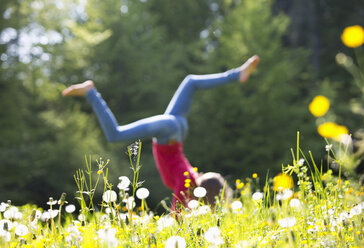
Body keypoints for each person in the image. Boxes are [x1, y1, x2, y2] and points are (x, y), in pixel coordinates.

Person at [62, 55, 259, 210]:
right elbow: (175, 217)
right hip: (168, 134)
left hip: (178, 129)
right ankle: (91, 92)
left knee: (190, 82)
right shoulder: (186, 183)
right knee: (115, 135)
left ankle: (237, 74)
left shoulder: (190, 175)